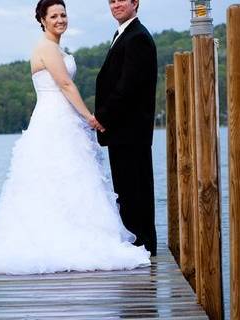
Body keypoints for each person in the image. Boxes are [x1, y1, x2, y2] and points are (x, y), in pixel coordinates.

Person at [0, 0, 150, 274]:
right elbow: (64, 84)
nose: (60, 19)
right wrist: (90, 116)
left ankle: (77, 234)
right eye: (53, 16)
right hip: (53, 120)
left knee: (74, 179)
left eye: (63, 14)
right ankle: (54, 240)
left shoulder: (58, 48)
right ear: (42, 19)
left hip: (66, 120)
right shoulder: (45, 48)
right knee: (52, 178)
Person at [95, 0, 158, 256]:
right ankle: (138, 242)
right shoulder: (123, 34)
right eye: (111, 1)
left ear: (135, 3)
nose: (116, 4)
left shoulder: (138, 38)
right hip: (123, 131)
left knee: (135, 190)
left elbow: (127, 87)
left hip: (131, 131)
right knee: (127, 190)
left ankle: (143, 244)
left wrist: (102, 117)